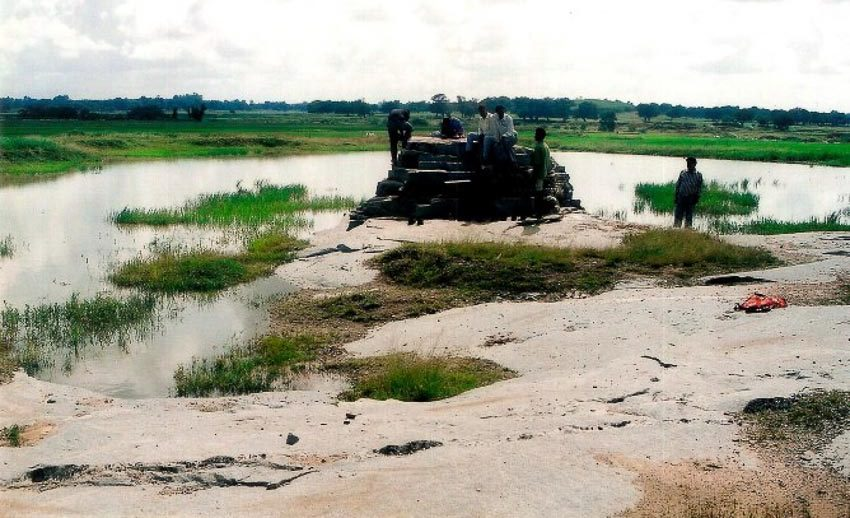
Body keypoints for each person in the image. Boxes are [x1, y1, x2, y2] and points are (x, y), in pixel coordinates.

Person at [674, 156, 704, 228]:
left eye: (690, 163)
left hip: (691, 198)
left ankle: (687, 231)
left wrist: (697, 197)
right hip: (681, 197)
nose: (688, 164)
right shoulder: (683, 173)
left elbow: (699, 188)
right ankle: (676, 230)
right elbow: (678, 185)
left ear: (694, 164)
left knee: (689, 215)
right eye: (687, 163)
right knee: (678, 215)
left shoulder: (698, 175)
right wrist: (676, 196)